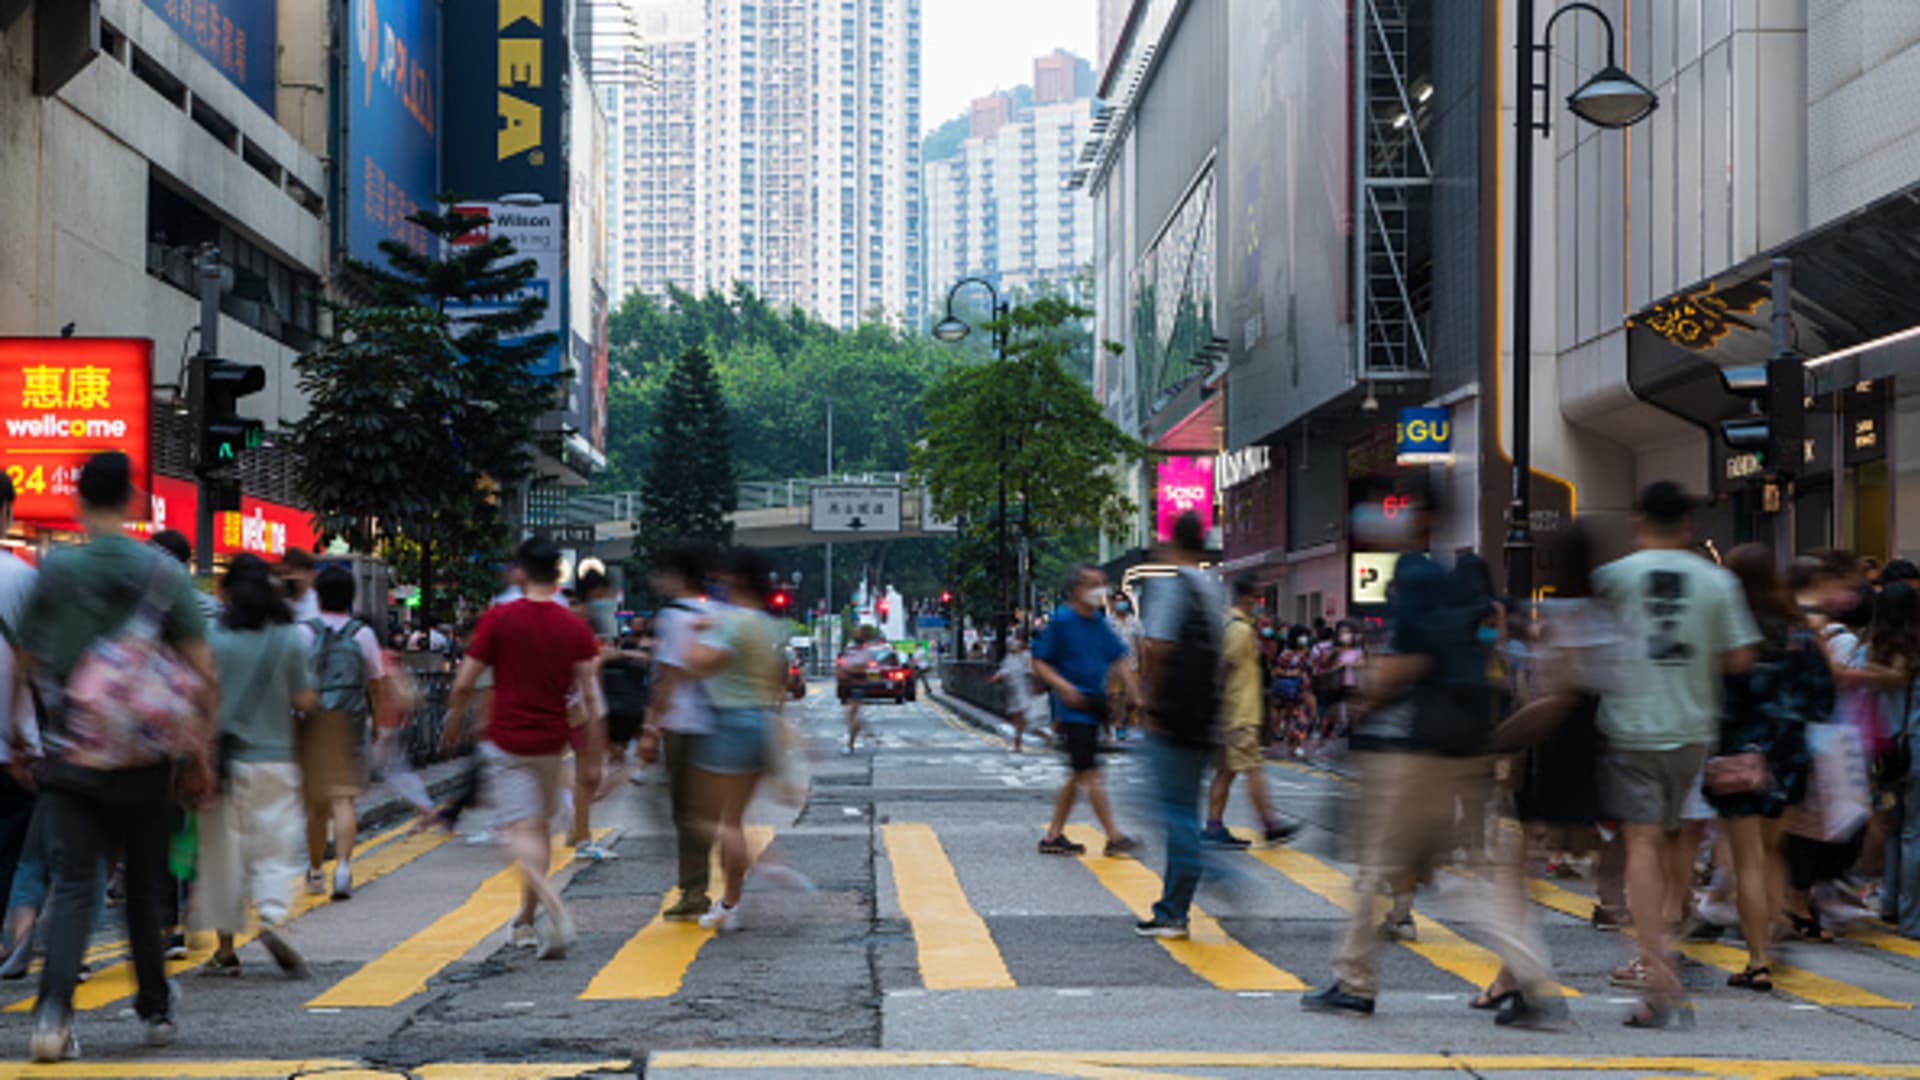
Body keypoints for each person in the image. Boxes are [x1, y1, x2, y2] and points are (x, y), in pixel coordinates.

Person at [1304, 483, 1560, 1028]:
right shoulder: (1461, 579)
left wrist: (1364, 700)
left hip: (1414, 750)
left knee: (1379, 868)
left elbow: (1407, 662)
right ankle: (1528, 976)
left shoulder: (1415, 578)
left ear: (1418, 517)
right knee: (1450, 875)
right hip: (1466, 744)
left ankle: (1356, 981)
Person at [16, 452, 215, 1061]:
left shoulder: (56, 570)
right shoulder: (161, 573)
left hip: (71, 753)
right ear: (130, 499)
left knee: (75, 886)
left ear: (77, 500)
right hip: (146, 761)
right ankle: (154, 1012)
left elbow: (24, 663)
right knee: (145, 887)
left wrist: (24, 737)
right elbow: (202, 670)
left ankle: (52, 1018)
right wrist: (199, 752)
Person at [1591, 481, 1758, 1028]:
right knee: (1674, 838)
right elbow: (1739, 659)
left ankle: (1656, 968)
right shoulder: (1717, 581)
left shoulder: (1613, 578)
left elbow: (1589, 649)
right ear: (1688, 525)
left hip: (1630, 725)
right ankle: (1669, 933)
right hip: (1692, 728)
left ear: (1639, 520)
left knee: (1640, 844)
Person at [442, 537, 604, 959]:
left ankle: (552, 905)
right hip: (552, 743)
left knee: (518, 832)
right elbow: (591, 697)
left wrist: (454, 721)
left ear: (520, 572)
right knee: (539, 830)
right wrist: (595, 758)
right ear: (557, 575)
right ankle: (526, 921)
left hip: (506, 740)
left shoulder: (499, 619)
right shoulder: (574, 627)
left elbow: (464, 682)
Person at [1700, 544, 1830, 989]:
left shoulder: (1728, 634)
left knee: (1748, 861)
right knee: (1773, 851)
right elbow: (1823, 699)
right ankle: (1772, 936)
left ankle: (1757, 960)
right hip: (1791, 756)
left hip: (1738, 754)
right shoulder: (1799, 632)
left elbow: (1713, 696)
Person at [195, 555, 317, 978]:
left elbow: (202, 702)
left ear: (226, 593)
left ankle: (225, 952)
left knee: (225, 856)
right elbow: (305, 701)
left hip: (224, 761)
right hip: (277, 759)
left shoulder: (213, 637)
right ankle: (270, 919)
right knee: (272, 849)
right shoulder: (288, 638)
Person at [680, 548, 788, 931]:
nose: (719, 582)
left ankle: (746, 884)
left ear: (737, 580)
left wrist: (697, 633)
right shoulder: (767, 624)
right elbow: (781, 680)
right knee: (733, 818)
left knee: (711, 819)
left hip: (730, 722)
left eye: (724, 576)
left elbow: (698, 663)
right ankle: (738, 895)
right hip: (761, 720)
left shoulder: (731, 623)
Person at [1134, 515, 1227, 938]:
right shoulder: (1214, 587)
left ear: (1173, 544)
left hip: (1174, 714)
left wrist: (1148, 703)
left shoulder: (1170, 585)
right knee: (1181, 809)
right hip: (1207, 713)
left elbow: (1159, 649)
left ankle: (1223, 876)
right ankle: (1174, 907)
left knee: (1166, 809)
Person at [1030, 565, 1141, 859]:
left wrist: (1137, 696)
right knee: (1090, 773)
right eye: (1095, 585)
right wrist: (1063, 686)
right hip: (1073, 709)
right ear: (1078, 589)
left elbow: (1119, 659)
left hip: (1094, 706)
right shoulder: (1062, 621)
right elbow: (1039, 662)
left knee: (1078, 774)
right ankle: (1114, 836)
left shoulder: (1098, 623)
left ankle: (1054, 834)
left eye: (1103, 584)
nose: (1101, 591)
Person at [638, 544, 716, 920]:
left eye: (663, 573)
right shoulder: (715, 613)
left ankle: (694, 889)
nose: (658, 581)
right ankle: (715, 887)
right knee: (710, 810)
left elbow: (667, 675)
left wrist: (651, 728)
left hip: (683, 724)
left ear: (678, 576)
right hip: (717, 724)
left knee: (686, 812)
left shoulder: (672, 617)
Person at [300, 565, 384, 901]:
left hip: (314, 722)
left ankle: (316, 870)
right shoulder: (362, 634)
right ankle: (345, 867)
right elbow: (375, 684)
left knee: (316, 806)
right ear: (351, 596)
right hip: (350, 722)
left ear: (317, 595)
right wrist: (376, 720)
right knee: (343, 799)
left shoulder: (303, 633)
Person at [1204, 576, 1298, 850]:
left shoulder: (1234, 625)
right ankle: (1270, 826)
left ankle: (1213, 826)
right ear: (1248, 598)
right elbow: (1226, 664)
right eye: (1258, 598)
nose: (1260, 604)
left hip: (1233, 711)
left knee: (1227, 771)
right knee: (1252, 768)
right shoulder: (1239, 630)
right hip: (1239, 712)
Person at [989, 632, 1045, 752]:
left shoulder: (1026, 656)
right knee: (1017, 718)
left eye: (1016, 641)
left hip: (1024, 691)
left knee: (1027, 720)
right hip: (1014, 692)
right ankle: (1018, 742)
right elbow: (1004, 671)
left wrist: (1034, 688)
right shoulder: (1010, 657)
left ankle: (1044, 738)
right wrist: (994, 678)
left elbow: (1032, 673)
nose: (1013, 644)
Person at [1108, 594, 1145, 741]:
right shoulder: (1108, 623)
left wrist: (1144, 666)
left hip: (1132, 665)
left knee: (1130, 698)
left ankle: (1127, 722)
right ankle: (1118, 724)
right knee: (1116, 697)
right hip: (1114, 666)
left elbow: (1141, 645)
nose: (1120, 604)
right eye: (1117, 601)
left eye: (1122, 601)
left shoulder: (1135, 623)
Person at [842, 626, 881, 755]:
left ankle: (850, 744)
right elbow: (844, 666)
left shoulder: (866, 652)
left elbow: (863, 668)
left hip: (858, 684)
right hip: (848, 685)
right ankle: (860, 730)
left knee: (851, 714)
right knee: (849, 716)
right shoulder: (850, 651)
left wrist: (853, 669)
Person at [280, 548, 319, 623]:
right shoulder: (277, 603)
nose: (294, 577)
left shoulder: (319, 602)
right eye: (288, 573)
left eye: (299, 572)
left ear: (310, 574)